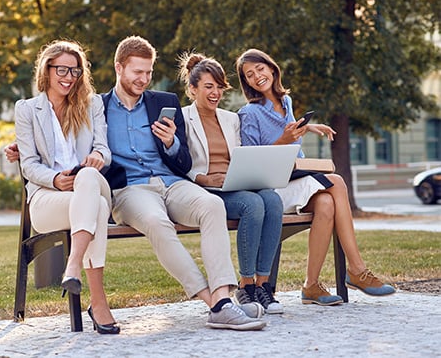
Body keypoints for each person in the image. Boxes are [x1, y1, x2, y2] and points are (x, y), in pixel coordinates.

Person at [99, 36, 265, 331]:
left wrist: (172, 143)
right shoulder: (97, 107)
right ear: (119, 67)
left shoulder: (164, 102)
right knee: (157, 222)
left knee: (212, 205)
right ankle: (216, 304)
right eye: (138, 72)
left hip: (172, 182)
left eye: (148, 72)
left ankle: (223, 298)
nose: (144, 79)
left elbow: (185, 162)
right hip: (129, 189)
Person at [235, 48, 396, 306]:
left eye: (260, 69)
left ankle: (310, 286)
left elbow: (287, 134)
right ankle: (356, 269)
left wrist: (307, 127)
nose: (257, 76)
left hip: (295, 179)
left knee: (326, 203)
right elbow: (252, 162)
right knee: (338, 182)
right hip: (272, 191)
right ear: (247, 83)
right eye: (249, 75)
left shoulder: (285, 103)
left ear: (272, 68)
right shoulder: (249, 113)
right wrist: (284, 140)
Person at [14, 40, 119, 334]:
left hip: (91, 183)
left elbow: (103, 148)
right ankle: (98, 302)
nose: (69, 77)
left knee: (86, 177)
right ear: (46, 70)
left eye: (75, 71)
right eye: (62, 69)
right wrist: (55, 180)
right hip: (48, 199)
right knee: (95, 209)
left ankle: (72, 266)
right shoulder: (26, 110)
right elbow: (29, 164)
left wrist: (97, 157)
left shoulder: (92, 104)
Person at [177, 52, 284, 314]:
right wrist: (202, 177)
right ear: (193, 89)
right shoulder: (182, 118)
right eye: (208, 87)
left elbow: (242, 154)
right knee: (252, 204)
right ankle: (245, 287)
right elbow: (178, 162)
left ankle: (263, 285)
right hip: (206, 190)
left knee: (272, 200)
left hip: (236, 182)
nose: (215, 93)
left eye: (219, 87)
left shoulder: (231, 118)